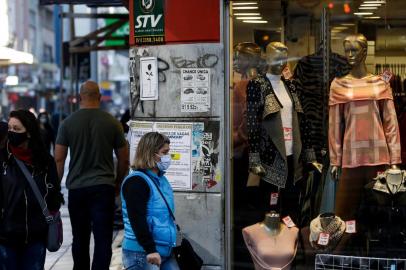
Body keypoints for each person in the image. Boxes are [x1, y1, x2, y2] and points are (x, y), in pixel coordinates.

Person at [54, 80, 129, 270]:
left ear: (80, 97)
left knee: (80, 238)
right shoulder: (112, 123)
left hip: (77, 189)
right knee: (103, 238)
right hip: (103, 188)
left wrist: (55, 188)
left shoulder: (67, 123)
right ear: (100, 97)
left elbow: (59, 160)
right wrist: (118, 182)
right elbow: (124, 159)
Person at [0, 110, 63, 270]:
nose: (12, 132)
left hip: (35, 238)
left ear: (28, 133)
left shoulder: (44, 161)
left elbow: (54, 193)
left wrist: (49, 213)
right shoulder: (3, 159)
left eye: (17, 129)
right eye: (10, 128)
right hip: (6, 237)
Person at [121, 132, 179, 270]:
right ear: (150, 153)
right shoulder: (136, 182)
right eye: (164, 152)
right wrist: (150, 249)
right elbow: (137, 219)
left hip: (164, 249)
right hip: (142, 253)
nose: (167, 157)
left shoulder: (160, 179)